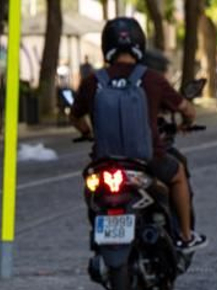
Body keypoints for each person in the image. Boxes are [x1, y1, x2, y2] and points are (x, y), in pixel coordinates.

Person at [70, 18, 205, 250]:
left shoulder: (92, 81)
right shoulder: (152, 79)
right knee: (178, 175)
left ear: (106, 45)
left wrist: (87, 132)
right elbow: (187, 109)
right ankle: (185, 235)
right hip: (148, 159)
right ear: (140, 44)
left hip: (104, 161)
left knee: (90, 189)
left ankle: (99, 233)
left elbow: (74, 116)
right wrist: (186, 122)